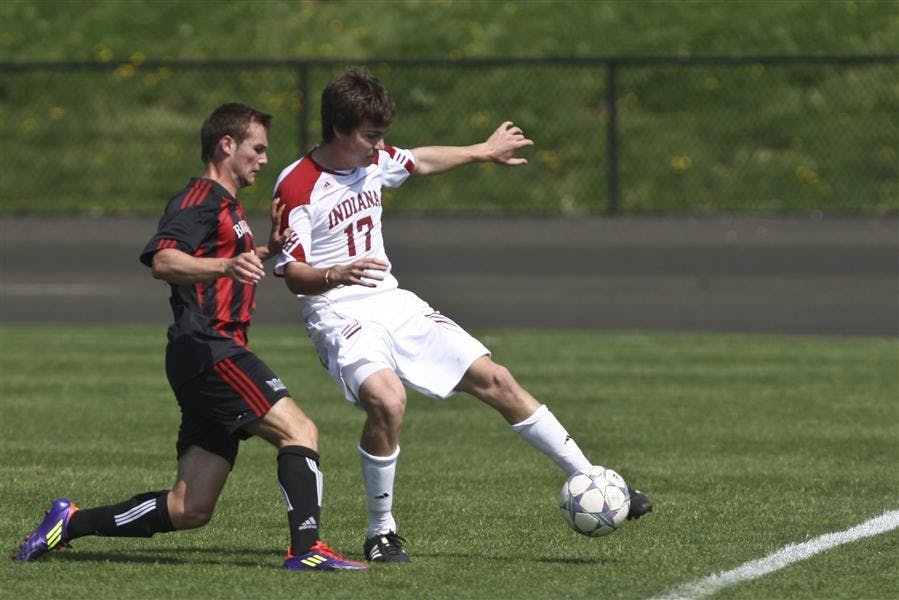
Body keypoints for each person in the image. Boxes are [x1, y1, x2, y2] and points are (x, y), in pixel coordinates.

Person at [272, 67, 653, 563]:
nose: (378, 147)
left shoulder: (373, 161)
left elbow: (419, 161)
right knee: (388, 402)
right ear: (339, 130)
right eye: (370, 136)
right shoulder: (298, 184)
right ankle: (381, 531)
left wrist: (480, 151)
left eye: (381, 136)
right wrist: (337, 272)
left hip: (392, 301)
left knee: (497, 378)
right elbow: (291, 270)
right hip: (337, 312)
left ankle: (588, 476)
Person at [14, 103, 367, 571]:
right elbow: (163, 260)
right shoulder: (200, 198)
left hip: (202, 354)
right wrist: (226, 264)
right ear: (226, 144)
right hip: (211, 348)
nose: (264, 159)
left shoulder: (227, 206)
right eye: (257, 148)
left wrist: (266, 250)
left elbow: (218, 258)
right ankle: (308, 551)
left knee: (189, 508)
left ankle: (68, 523)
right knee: (299, 431)